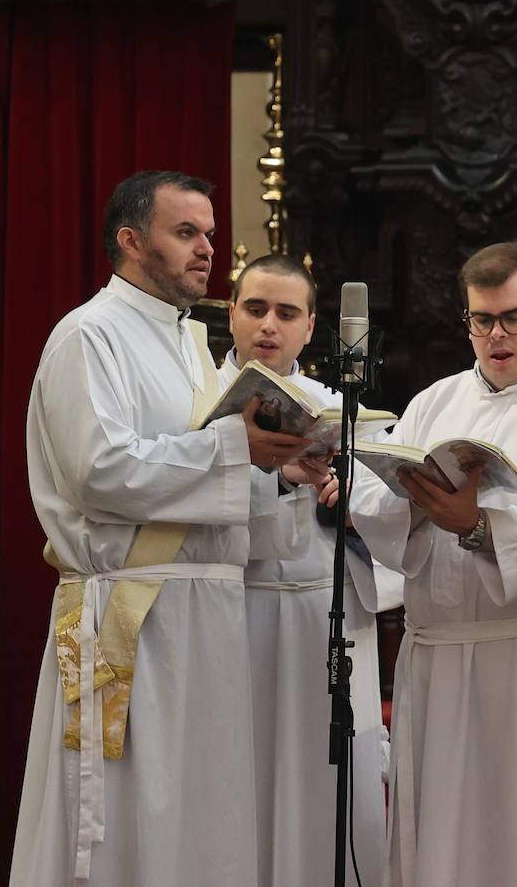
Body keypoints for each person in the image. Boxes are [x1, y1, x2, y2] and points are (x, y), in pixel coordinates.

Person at [13, 171, 320, 885]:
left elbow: (203, 474)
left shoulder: (188, 343)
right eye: (186, 232)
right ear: (130, 241)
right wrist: (238, 450)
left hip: (208, 614)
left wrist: (278, 470)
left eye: (209, 233)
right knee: (119, 820)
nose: (207, 248)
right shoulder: (88, 336)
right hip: (128, 613)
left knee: (199, 815)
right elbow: (100, 471)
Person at [347, 242, 517, 887]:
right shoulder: (434, 403)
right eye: (481, 320)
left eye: (513, 318)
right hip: (442, 654)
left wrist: (476, 523)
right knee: (446, 842)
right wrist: (410, 500)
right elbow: (378, 502)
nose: (497, 336)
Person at [222, 254, 390, 887]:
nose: (269, 325)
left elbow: (391, 533)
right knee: (245, 784)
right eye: (256, 308)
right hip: (237, 615)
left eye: (287, 312)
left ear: (313, 325)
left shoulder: (341, 411)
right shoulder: (197, 406)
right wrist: (272, 473)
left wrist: (350, 507)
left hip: (323, 617)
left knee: (323, 794)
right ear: (232, 314)